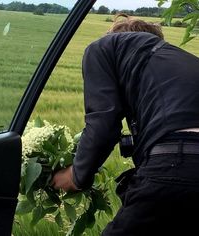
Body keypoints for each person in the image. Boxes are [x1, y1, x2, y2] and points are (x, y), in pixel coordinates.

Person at [51, 13, 199, 235]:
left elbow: (103, 125)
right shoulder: (181, 63)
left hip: (179, 159)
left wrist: (76, 176)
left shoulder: (105, 47)